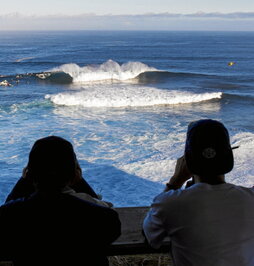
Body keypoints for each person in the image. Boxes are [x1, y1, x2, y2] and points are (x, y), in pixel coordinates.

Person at [143, 119, 254, 266]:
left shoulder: (170, 203)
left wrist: (175, 182)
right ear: (229, 158)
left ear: (186, 162)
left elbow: (150, 236)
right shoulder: (250, 198)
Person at [0, 136, 121, 266]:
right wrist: (80, 182)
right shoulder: (104, 218)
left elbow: (8, 209)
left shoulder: (9, 216)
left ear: (30, 174)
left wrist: (24, 181)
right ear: (74, 174)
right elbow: (98, 209)